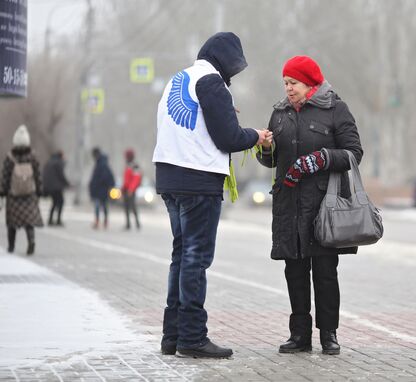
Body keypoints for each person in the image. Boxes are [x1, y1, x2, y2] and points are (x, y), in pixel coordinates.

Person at [152, 32, 271, 358]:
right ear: (226, 61)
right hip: (198, 181)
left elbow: (191, 125)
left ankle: (172, 335)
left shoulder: (180, 79)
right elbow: (228, 138)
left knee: (180, 255)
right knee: (195, 258)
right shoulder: (211, 82)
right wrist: (256, 136)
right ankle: (193, 336)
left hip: (169, 178)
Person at [256, 56, 363, 355]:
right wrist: (265, 150)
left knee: (326, 271)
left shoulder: (335, 109)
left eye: (294, 83)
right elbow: (272, 161)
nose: (289, 89)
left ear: (310, 83)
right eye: (286, 84)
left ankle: (329, 334)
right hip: (289, 205)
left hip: (323, 206)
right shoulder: (279, 113)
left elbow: (354, 153)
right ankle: (299, 334)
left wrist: (322, 158)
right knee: (295, 271)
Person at [0, 125, 44, 255]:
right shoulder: (32, 157)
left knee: (12, 222)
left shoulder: (10, 157)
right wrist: (40, 191)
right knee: (29, 221)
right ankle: (31, 241)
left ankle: (11, 246)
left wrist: (2, 191)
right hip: (29, 193)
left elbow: (5, 176)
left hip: (13, 194)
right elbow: (38, 175)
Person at [88, 147, 115, 229]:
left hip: (101, 189)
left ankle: (99, 221)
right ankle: (104, 221)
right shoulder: (102, 163)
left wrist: (96, 184)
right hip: (102, 189)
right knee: (103, 206)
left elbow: (104, 177)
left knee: (99, 206)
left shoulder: (101, 164)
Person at [43, 150, 70, 226]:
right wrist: (67, 184)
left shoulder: (49, 162)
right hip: (56, 187)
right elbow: (61, 175)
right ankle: (58, 220)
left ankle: (50, 219)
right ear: (61, 156)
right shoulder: (58, 163)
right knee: (61, 202)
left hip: (49, 187)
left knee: (54, 203)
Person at [122, 148, 141, 230]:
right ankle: (128, 224)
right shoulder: (128, 165)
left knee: (133, 207)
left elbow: (136, 179)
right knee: (126, 207)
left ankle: (137, 223)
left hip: (131, 190)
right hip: (126, 190)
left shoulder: (134, 166)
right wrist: (123, 188)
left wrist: (131, 189)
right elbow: (126, 179)